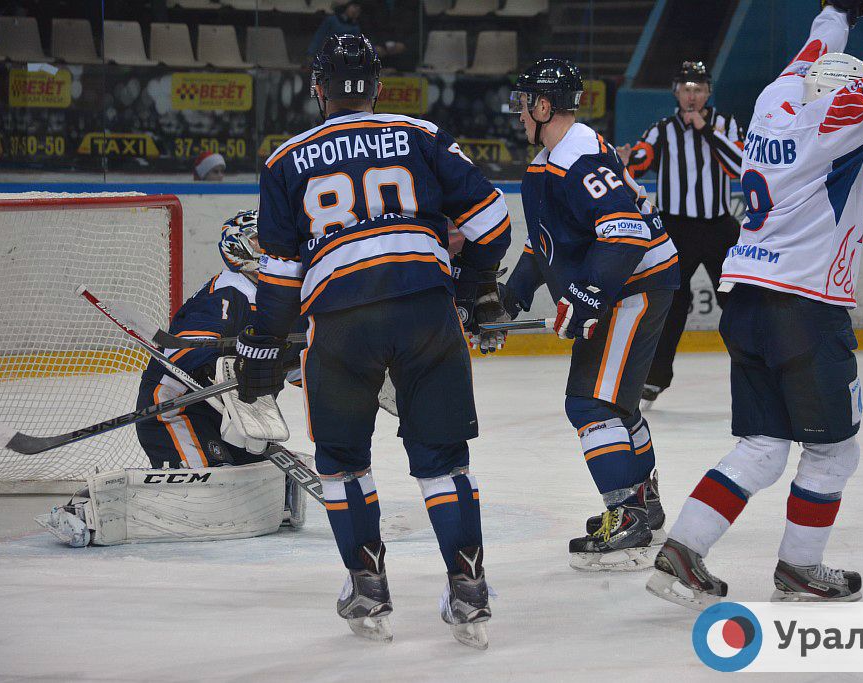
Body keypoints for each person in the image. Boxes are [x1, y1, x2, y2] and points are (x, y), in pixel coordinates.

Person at [645, 0, 863, 610]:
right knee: (834, 450)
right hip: (804, 309)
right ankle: (800, 568)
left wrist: (838, 13)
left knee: (764, 445)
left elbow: (810, 55)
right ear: (841, 95)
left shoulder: (775, 101)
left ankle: (683, 553)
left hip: (747, 302)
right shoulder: (836, 120)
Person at [234, 34, 511, 648]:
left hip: (342, 323)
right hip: (425, 311)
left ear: (318, 88)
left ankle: (368, 587)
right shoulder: (422, 134)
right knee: (443, 460)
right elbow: (493, 226)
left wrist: (262, 344)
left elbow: (279, 278)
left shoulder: (285, 161)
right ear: (379, 88)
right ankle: (469, 589)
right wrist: (474, 288)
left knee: (342, 462)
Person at [501, 59, 679, 572]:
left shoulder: (577, 158)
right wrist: (511, 296)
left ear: (543, 105)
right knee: (617, 403)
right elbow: (547, 244)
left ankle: (627, 515)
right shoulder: (554, 158)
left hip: (633, 287)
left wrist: (586, 296)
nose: (519, 113)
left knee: (590, 403)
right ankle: (643, 503)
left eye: (524, 102)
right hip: (632, 284)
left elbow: (626, 232)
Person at [36, 211, 307, 547]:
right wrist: (240, 358)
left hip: (234, 419)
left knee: (256, 479)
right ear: (238, 247)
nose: (275, 251)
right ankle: (84, 510)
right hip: (177, 410)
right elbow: (184, 353)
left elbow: (301, 372)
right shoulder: (227, 294)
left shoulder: (289, 301)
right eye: (261, 242)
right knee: (210, 488)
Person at [618, 61, 744, 409]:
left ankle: (756, 367)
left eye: (698, 89)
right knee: (669, 303)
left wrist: (706, 130)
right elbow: (639, 160)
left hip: (719, 227)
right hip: (675, 229)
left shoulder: (726, 124)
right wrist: (626, 162)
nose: (692, 96)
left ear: (708, 92)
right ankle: (655, 377)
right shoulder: (662, 129)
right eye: (686, 89)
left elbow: (740, 165)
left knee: (738, 301)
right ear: (676, 92)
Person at [307, 2, 404, 61]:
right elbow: (319, 36)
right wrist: (311, 53)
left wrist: (375, 49)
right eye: (354, 7)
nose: (355, 11)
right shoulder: (332, 20)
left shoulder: (357, 26)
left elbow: (361, 42)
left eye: (358, 10)